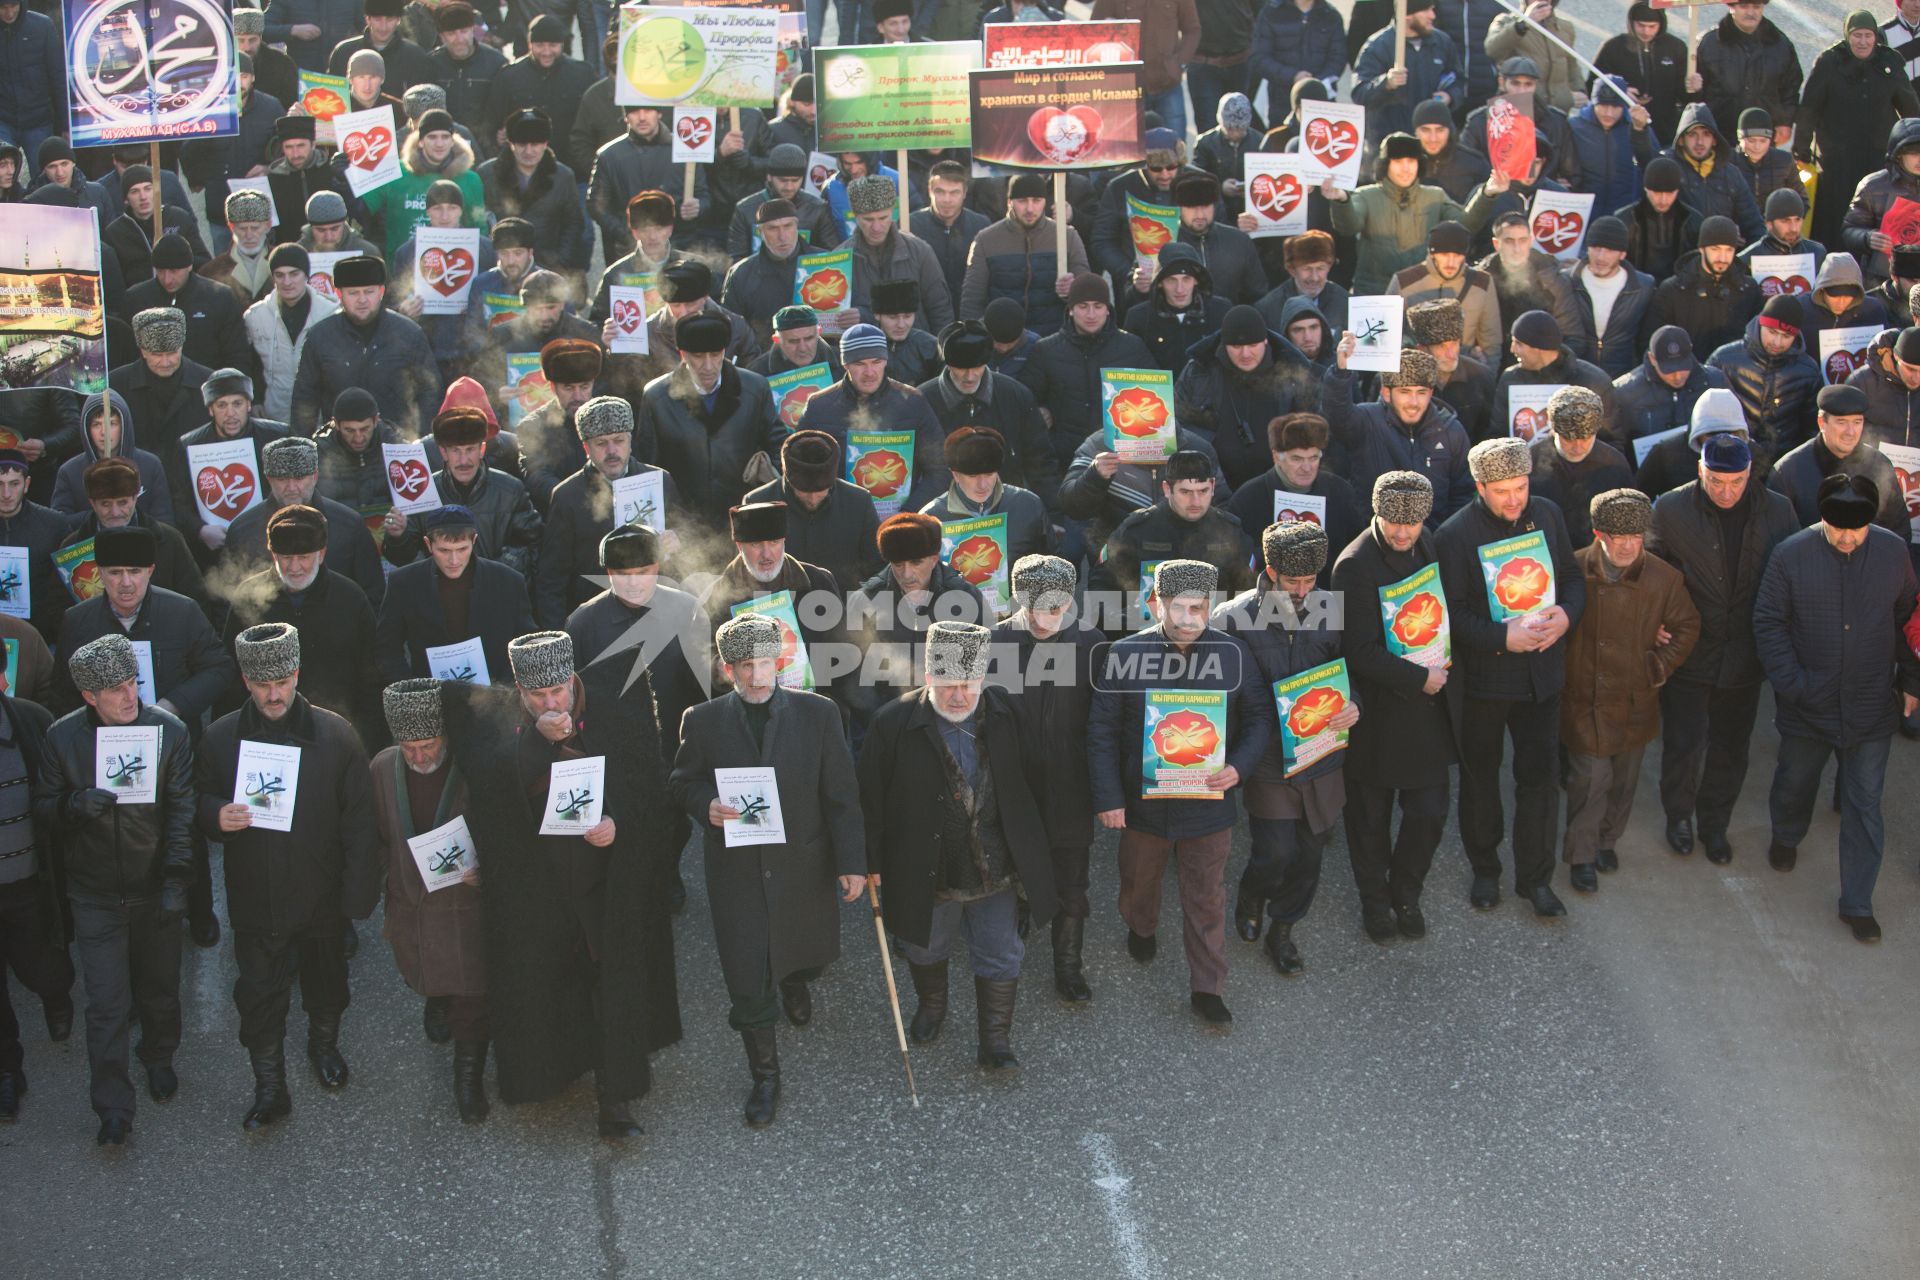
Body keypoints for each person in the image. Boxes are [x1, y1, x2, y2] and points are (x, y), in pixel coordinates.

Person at [440, 630, 681, 1135]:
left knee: (610, 985)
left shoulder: (616, 704)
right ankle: (559, 1069)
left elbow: (648, 792)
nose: (552, 704)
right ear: (522, 694)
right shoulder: (501, 724)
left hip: (604, 887)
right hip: (543, 889)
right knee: (555, 984)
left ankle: (616, 1102)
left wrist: (618, 826)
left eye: (559, 693)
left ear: (572, 680)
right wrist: (535, 742)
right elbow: (491, 793)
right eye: (539, 697)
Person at [669, 614, 863, 1126]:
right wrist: (705, 803)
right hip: (737, 871)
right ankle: (766, 1076)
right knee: (747, 975)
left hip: (803, 863)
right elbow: (681, 781)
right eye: (744, 667)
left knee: (807, 951)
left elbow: (842, 796)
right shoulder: (703, 720)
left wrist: (852, 863)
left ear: (780, 660)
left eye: (764, 664)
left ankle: (796, 978)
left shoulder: (819, 714)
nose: (756, 677)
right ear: (726, 668)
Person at [196, 622, 380, 1128]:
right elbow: (197, 799)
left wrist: (355, 899)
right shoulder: (219, 736)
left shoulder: (337, 734)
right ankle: (270, 1087)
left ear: (297, 673)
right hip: (257, 897)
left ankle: (324, 1047)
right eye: (261, 685)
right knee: (258, 996)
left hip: (321, 897)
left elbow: (361, 824)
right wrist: (216, 814)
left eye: (281, 682)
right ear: (245, 682)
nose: (273, 695)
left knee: (327, 986)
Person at [859, 620, 1055, 1065]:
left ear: (983, 680)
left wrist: (1036, 847)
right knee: (924, 946)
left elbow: (1036, 782)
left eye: (968, 685)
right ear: (928, 677)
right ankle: (933, 1006)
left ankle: (995, 1041)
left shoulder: (1007, 714)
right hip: (925, 867)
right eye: (947, 685)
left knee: (1001, 951)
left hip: (995, 865)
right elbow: (868, 800)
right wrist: (869, 860)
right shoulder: (891, 725)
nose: (958, 696)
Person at [1087, 560, 1269, 1024]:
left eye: (1200, 608)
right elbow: (1102, 731)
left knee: (1206, 897)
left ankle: (1208, 988)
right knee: (1138, 882)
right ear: (1155, 604)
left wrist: (1239, 768)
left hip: (1209, 805)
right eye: (1179, 607)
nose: (1189, 619)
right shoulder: (1123, 655)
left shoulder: (1234, 654)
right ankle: (1141, 926)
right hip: (1143, 807)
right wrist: (1108, 799)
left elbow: (1258, 719)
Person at [34, 634, 193, 1146]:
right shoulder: (61, 740)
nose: (129, 697)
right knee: (105, 1004)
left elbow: (182, 813)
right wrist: (72, 806)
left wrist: (175, 881)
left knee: (160, 991)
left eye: (132, 684)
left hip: (154, 890)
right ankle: (113, 1108)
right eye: (115, 690)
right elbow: (44, 810)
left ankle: (159, 1056)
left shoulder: (170, 732)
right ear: (88, 698)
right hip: (95, 897)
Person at [1754, 474, 1920, 943]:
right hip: (1809, 703)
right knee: (1795, 781)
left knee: (1865, 803)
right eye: (1837, 528)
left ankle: (1858, 902)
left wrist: (1911, 681)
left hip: (1871, 704)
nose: (1847, 538)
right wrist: (1793, 684)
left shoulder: (1892, 553)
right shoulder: (1790, 555)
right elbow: (1769, 622)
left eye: (1857, 529)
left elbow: (1909, 618)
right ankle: (1786, 835)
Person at [1433, 436, 1584, 916]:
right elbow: (1449, 613)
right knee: (1480, 781)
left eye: (1520, 487)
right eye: (1502, 491)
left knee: (1539, 780)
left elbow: (1573, 578)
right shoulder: (1455, 535)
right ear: (1480, 486)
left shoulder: (1549, 515)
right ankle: (1485, 870)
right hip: (1485, 683)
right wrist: (1502, 637)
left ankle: (1535, 880)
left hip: (1542, 677)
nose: (1514, 499)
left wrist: (1567, 615)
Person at [1211, 522, 1357, 973]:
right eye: (1293, 581)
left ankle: (1284, 928)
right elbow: (1222, 696)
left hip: (1321, 749)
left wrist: (1355, 705)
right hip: (1268, 756)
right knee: (1275, 851)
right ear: (1270, 570)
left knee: (1311, 854)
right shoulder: (1232, 618)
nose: (1302, 590)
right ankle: (1253, 893)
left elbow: (1351, 671)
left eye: (1311, 581)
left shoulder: (1331, 607)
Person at [1644, 432, 1796, 863]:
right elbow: (1650, 572)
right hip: (1689, 649)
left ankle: (1715, 824)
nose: (1726, 491)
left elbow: (1789, 577)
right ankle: (1679, 817)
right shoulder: (1670, 509)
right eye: (1715, 481)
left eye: (1736, 482)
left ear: (1750, 475)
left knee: (1732, 746)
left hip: (1745, 655)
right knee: (1684, 743)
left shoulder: (1778, 511)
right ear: (1700, 471)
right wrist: (1654, 623)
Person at [1331, 471, 1461, 940]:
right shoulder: (1354, 566)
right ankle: (1375, 902)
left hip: (1426, 716)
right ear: (1376, 512)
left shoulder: (1427, 542)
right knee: (1370, 818)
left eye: (1412, 523)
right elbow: (1359, 650)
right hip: (1379, 715)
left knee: (1428, 811)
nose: (1402, 533)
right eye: (1392, 522)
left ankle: (1406, 892)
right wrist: (1420, 678)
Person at [1558, 489, 1698, 893]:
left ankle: (1607, 840)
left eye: (1635, 538)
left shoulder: (1664, 579)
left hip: (1635, 698)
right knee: (1589, 779)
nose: (1626, 546)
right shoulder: (1573, 570)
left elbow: (1686, 627)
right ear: (1598, 533)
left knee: (1623, 780)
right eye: (1617, 537)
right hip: (1584, 697)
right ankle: (1581, 854)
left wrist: (1658, 665)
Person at [368, 678, 490, 1120]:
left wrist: (488, 872)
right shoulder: (382, 768)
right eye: (409, 747)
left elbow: (503, 828)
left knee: (473, 995)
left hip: (465, 903)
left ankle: (468, 1076)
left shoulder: (474, 764)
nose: (419, 756)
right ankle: (436, 998)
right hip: (414, 906)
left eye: (428, 745)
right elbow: (377, 835)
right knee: (428, 973)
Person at [987, 555, 1102, 1001]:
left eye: (1053, 609)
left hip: (1071, 785)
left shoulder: (1091, 643)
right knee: (1013, 865)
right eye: (1031, 608)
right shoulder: (994, 641)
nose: (1041, 620)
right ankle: (1017, 923)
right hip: (1012, 784)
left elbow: (1104, 720)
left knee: (1072, 881)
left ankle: (1068, 966)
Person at [220, 504, 383, 750]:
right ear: (273, 555)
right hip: (266, 741)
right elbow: (231, 677)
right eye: (286, 558)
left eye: (304, 557)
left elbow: (371, 680)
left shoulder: (350, 599)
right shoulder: (248, 597)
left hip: (336, 738)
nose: (294, 568)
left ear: (321, 554)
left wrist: (365, 744)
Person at [537, 397, 683, 628]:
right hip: (598, 623)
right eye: (601, 443)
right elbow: (552, 580)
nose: (612, 451)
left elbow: (690, 552)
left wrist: (678, 543)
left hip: (657, 616)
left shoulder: (660, 481)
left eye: (618, 440)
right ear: (586, 447)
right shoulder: (567, 496)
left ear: (630, 441)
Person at [376, 505, 536, 685]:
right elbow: (387, 648)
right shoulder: (404, 583)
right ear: (428, 544)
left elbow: (526, 642)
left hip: (498, 697)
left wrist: (506, 689)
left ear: (474, 541)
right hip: (429, 697)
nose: (454, 560)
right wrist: (412, 691)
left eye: (462, 549)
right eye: (444, 550)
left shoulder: (508, 581)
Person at [223, 437, 389, 609]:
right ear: (269, 479)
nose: (292, 488)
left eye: (300, 478)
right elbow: (229, 600)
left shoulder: (349, 524)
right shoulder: (242, 530)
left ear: (315, 476)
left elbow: (373, 595)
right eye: (282, 479)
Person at [1803, 17, 1920, 256]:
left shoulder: (1889, 64)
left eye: (1868, 35)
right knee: (1835, 219)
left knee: (1874, 218)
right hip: (1837, 161)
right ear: (1847, 36)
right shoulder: (1829, 62)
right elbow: (1809, 108)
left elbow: (1910, 109)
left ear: (1876, 37)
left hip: (1876, 158)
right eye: (1857, 35)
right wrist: (1801, 146)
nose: (1863, 41)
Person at [289, 255, 441, 438]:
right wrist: (304, 449)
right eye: (353, 293)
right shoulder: (320, 337)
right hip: (338, 446)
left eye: (369, 292)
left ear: (381, 292)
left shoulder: (409, 334)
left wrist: (417, 440)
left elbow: (430, 392)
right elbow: (305, 398)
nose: (362, 300)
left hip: (395, 444)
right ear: (339, 294)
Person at [1321, 344, 1473, 526]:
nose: (1414, 402)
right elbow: (1336, 416)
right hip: (1374, 541)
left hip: (1431, 542)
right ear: (1386, 393)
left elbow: (1462, 494)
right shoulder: (1367, 421)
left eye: (1421, 392)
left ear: (1431, 392)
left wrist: (1441, 538)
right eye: (1405, 392)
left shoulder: (1451, 431)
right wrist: (1341, 371)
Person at [1324, 134, 1476, 297]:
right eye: (1398, 162)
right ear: (1385, 165)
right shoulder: (1366, 196)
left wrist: (1487, 193)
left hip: (1422, 293)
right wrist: (1342, 200)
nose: (1406, 168)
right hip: (1375, 293)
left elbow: (1464, 225)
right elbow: (1349, 226)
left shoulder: (1435, 196)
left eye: (1411, 161)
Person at [1768, 385, 1912, 545]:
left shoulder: (1879, 464)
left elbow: (1899, 531)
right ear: (1822, 422)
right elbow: (1777, 540)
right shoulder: (1788, 471)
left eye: (1857, 422)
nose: (1850, 432)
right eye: (1841, 422)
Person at [1225, 414, 1364, 580]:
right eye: (1297, 459)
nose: (1306, 468)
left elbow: (1356, 551)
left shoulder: (1341, 493)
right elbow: (1237, 564)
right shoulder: (1248, 499)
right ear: (1277, 457)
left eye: (1313, 458)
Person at [739, 432, 880, 591]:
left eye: (820, 491)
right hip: (779, 609)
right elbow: (744, 572)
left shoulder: (859, 502)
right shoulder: (758, 502)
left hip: (844, 606)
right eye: (804, 492)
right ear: (789, 480)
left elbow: (878, 568)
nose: (813, 498)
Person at [1707, 295, 1822, 465]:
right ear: (1760, 324)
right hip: (1730, 461)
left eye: (1786, 336)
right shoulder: (1724, 360)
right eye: (1772, 332)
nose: (1777, 342)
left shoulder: (1808, 370)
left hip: (1783, 465)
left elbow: (1812, 429)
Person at [1527, 387, 1633, 550]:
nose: (1578, 447)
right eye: (1568, 439)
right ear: (1552, 426)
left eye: (1585, 438)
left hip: (1595, 558)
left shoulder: (1614, 464)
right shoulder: (1530, 462)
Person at [1646, 217, 1764, 363]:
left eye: (1729, 250)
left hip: (1733, 377)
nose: (1722, 257)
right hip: (1684, 375)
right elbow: (1650, 342)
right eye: (1715, 249)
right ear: (1702, 248)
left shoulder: (1749, 289)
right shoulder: (1672, 290)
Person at [1350, 0, 1461, 147]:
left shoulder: (1442, 43)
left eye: (1432, 9)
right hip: (1392, 143)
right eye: (1426, 10)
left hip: (1433, 144)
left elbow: (1459, 80)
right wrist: (1386, 83)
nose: (1432, 16)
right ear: (1408, 15)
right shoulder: (1378, 46)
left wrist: (1450, 96)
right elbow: (1359, 93)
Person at [1391, 221, 1500, 366]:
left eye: (1457, 255)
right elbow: (1388, 336)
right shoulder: (1404, 281)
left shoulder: (1482, 282)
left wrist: (1489, 380)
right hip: (1417, 373)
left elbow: (1491, 342)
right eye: (1444, 254)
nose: (1451, 262)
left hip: (1461, 372)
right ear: (1432, 253)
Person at [1569, 216, 1655, 379]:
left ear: (1622, 254)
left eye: (1610, 250)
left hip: (1624, 378)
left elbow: (1645, 340)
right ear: (1587, 248)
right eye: (1596, 248)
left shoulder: (1643, 287)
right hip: (1577, 376)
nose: (1601, 257)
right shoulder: (1568, 282)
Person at [1124, 243, 1228, 374]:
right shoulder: (1139, 318)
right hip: (1158, 392)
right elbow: (1129, 367)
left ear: (1196, 281)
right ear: (1160, 283)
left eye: (1186, 279)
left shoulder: (1220, 311)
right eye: (1171, 280)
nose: (1179, 289)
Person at [1406, 297, 1495, 441]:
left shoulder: (1481, 377)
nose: (1451, 354)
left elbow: (1490, 433)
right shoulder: (1401, 379)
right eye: (1441, 346)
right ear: (1421, 349)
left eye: (1454, 344)